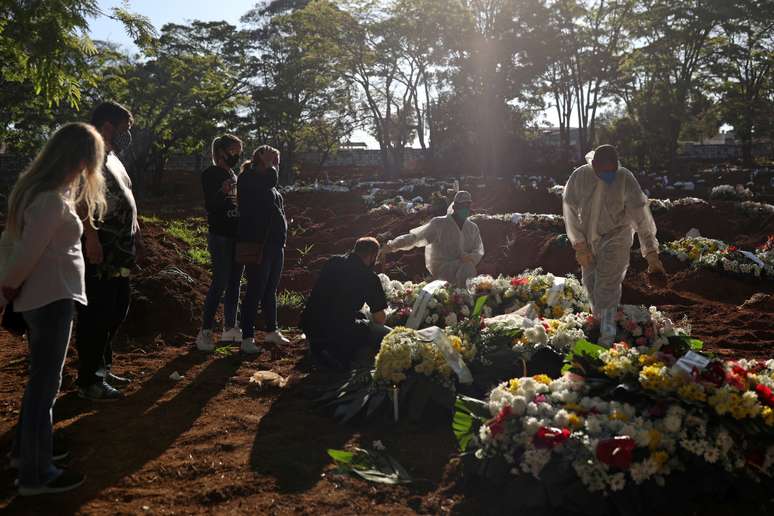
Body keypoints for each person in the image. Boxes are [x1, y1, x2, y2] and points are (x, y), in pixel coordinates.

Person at [1, 122, 107, 495]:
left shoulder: (43, 193)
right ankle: (35, 473)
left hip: (48, 297)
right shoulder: (48, 199)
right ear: (78, 158)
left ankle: (25, 454)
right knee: (45, 386)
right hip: (50, 299)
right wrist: (8, 290)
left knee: (40, 384)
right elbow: (27, 251)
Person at [562, 144, 666, 345]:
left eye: (613, 170)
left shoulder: (625, 178)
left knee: (607, 288)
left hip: (617, 236)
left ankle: (607, 337)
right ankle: (599, 325)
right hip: (588, 239)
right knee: (591, 285)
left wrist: (652, 255)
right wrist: (579, 245)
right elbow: (570, 210)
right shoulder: (580, 177)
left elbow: (641, 217)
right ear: (593, 165)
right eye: (604, 171)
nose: (609, 175)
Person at [75, 101, 143, 401]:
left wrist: (136, 225)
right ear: (108, 126)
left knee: (117, 309)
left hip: (120, 249)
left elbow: (126, 194)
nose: (127, 134)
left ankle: (104, 366)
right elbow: (81, 198)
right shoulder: (88, 155)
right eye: (124, 128)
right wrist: (90, 237)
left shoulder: (113, 156)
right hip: (100, 249)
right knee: (97, 313)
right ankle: (89, 380)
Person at [301, 237, 390, 369]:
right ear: (372, 256)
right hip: (338, 331)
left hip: (311, 326)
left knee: (357, 317)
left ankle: (321, 347)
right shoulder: (369, 278)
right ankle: (340, 353)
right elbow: (380, 318)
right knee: (384, 335)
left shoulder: (333, 262)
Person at [237, 145, 290, 353]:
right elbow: (268, 183)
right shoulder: (249, 178)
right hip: (258, 242)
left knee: (270, 290)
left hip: (276, 243)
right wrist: (269, 166)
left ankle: (271, 331)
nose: (275, 162)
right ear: (260, 156)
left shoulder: (269, 182)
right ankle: (247, 338)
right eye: (271, 157)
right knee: (255, 289)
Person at [196, 134, 245, 351]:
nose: (237, 155)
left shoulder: (233, 173)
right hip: (221, 235)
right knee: (220, 281)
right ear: (221, 152)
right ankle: (205, 331)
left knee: (235, 282)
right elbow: (211, 205)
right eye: (234, 151)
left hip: (236, 235)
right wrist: (222, 191)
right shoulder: (211, 174)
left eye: (238, 152)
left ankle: (230, 327)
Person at [382, 190, 484, 287]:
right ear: (455, 206)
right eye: (462, 206)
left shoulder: (472, 228)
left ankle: (464, 298)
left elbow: (478, 249)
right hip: (443, 269)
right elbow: (416, 238)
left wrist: (470, 257)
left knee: (468, 268)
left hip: (463, 269)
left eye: (467, 206)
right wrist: (393, 245)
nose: (465, 209)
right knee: (466, 268)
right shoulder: (439, 224)